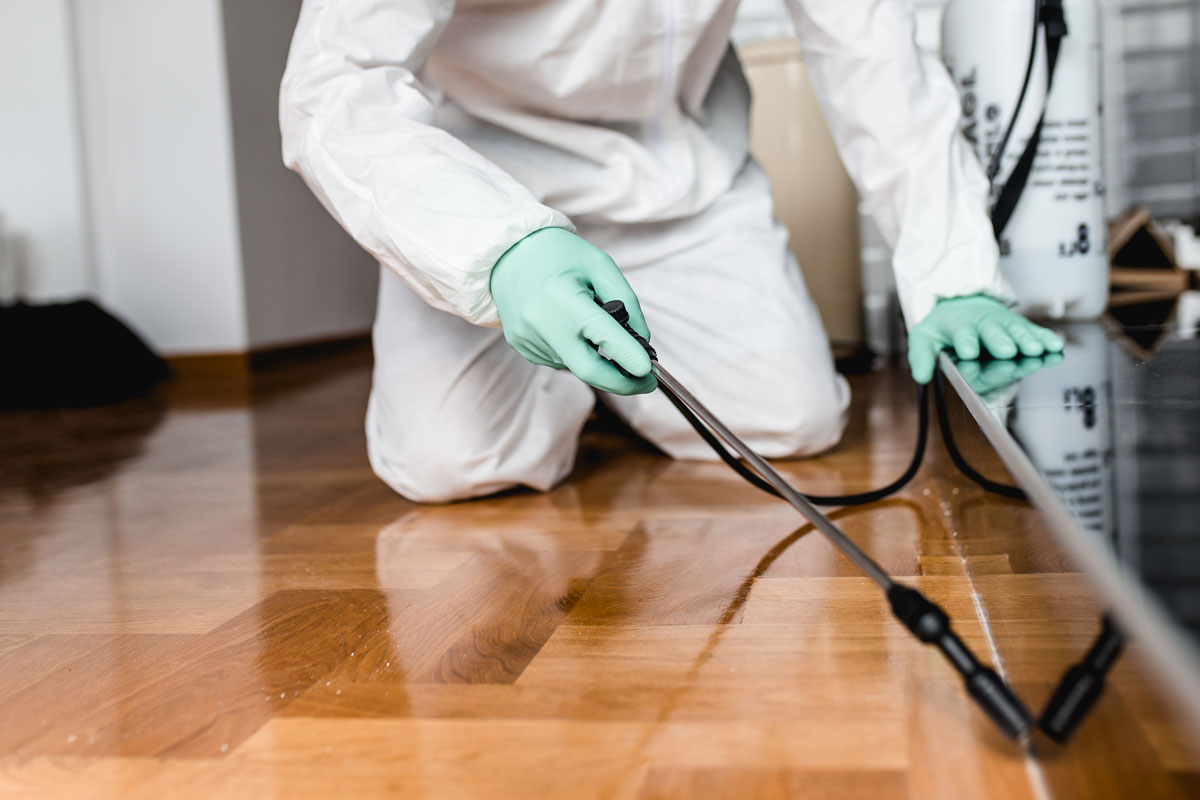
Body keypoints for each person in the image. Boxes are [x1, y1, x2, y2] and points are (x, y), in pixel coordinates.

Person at [279, 0, 1063, 503]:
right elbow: (333, 87)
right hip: (487, 187)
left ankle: (611, 394)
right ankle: (559, 355)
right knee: (451, 462)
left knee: (795, 421)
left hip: (679, 184)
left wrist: (955, 272)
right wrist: (498, 253)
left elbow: (870, 53)